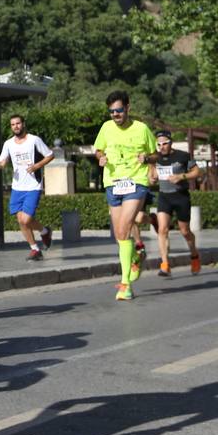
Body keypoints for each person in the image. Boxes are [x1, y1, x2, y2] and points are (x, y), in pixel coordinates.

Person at [93, 90, 157, 301]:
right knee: (120, 235)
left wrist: (147, 158)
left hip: (136, 182)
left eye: (119, 110)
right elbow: (98, 149)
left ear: (128, 108)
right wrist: (101, 157)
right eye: (112, 112)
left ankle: (125, 284)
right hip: (112, 183)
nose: (115, 115)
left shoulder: (142, 128)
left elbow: (155, 153)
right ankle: (137, 255)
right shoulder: (106, 128)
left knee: (124, 227)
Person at [0, 114, 54, 261]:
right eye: (13, 124)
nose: (15, 126)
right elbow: (1, 161)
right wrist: (2, 164)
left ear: (23, 124)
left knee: (27, 220)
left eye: (18, 123)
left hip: (33, 185)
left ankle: (45, 231)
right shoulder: (8, 144)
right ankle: (35, 249)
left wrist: (37, 166)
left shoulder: (34, 140)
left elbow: (50, 155)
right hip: (17, 186)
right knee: (21, 220)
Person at [146, 130, 202, 277]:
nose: (162, 147)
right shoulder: (155, 158)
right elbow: (152, 177)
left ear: (171, 143)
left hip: (181, 197)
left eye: (165, 143)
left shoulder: (182, 156)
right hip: (164, 197)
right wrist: (151, 179)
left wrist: (181, 176)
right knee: (162, 229)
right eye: (159, 144)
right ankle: (165, 264)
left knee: (185, 231)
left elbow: (197, 172)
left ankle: (194, 255)